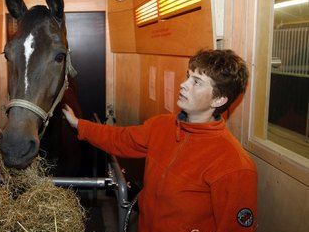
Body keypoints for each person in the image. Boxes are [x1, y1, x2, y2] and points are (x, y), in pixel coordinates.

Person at [62, 49, 257, 232]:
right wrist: (79, 124)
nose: (184, 84)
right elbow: (120, 139)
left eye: (196, 82)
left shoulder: (234, 164)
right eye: (188, 76)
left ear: (218, 100)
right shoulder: (162, 126)